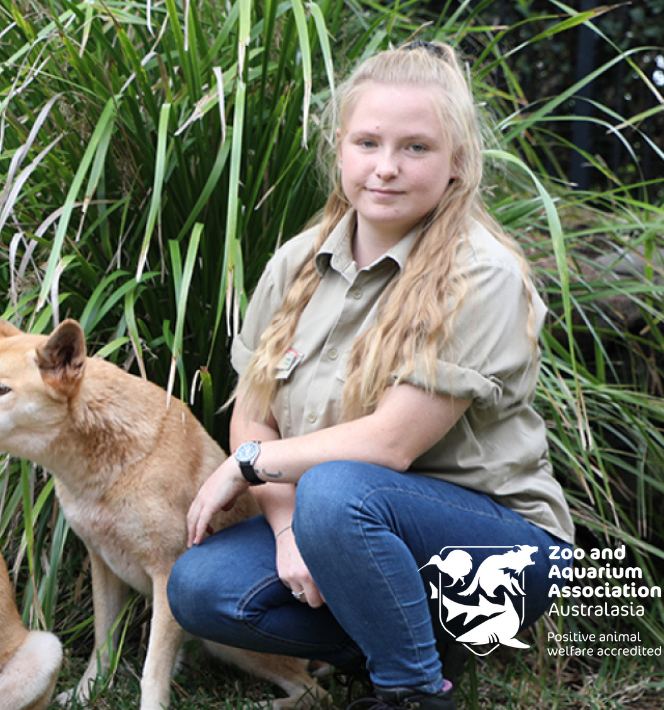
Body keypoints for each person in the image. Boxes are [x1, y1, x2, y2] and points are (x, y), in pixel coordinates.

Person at [166, 41, 575, 710]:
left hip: (498, 552)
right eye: (367, 143)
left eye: (415, 148)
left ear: (457, 163)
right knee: (202, 587)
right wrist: (288, 529)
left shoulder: (480, 274)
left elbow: (388, 447)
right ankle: (410, 644)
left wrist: (246, 465)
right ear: (341, 151)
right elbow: (255, 412)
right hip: (338, 525)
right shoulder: (297, 262)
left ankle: (411, 692)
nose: (385, 168)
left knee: (336, 490)